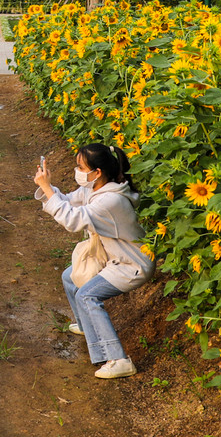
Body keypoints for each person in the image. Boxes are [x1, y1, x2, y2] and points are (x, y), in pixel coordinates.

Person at [32, 144, 154, 380]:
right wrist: (47, 186)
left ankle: (118, 359)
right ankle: (88, 326)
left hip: (132, 265)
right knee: (70, 277)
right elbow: (66, 201)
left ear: (97, 171)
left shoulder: (110, 201)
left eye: (80, 167)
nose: (77, 170)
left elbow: (72, 219)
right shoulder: (95, 189)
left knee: (87, 295)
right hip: (114, 259)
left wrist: (47, 188)